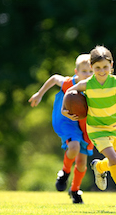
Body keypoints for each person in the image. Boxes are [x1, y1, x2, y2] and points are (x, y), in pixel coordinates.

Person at [62, 46, 116, 212]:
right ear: (91, 67)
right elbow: (69, 91)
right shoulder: (87, 84)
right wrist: (64, 110)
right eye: (97, 68)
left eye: (105, 67)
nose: (102, 71)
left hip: (115, 128)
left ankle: (99, 167)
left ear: (112, 65)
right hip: (96, 130)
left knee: (113, 163)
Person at [28, 54, 94, 204]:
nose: (88, 74)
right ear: (76, 72)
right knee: (74, 147)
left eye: (91, 71)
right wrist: (39, 94)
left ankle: (75, 190)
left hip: (85, 126)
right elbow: (53, 78)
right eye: (84, 71)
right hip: (67, 122)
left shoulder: (95, 87)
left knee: (82, 163)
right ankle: (65, 172)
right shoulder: (68, 83)